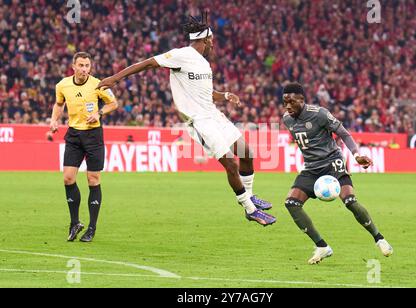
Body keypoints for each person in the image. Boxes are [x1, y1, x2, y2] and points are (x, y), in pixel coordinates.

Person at [96, 14, 275, 226]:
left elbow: (207, 94)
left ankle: (251, 195)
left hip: (214, 115)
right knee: (231, 165)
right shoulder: (181, 55)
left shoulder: (204, 64)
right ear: (205, 40)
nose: (213, 44)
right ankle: (249, 209)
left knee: (247, 153)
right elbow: (148, 63)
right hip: (199, 121)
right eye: (212, 41)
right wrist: (115, 79)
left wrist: (225, 95)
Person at [281, 82, 393, 264]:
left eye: (292, 102)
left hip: (333, 162)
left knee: (350, 201)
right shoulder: (287, 119)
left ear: (302, 100)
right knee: (291, 203)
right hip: (311, 167)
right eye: (285, 102)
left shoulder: (320, 114)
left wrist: (356, 155)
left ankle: (379, 238)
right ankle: (322, 246)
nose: (288, 106)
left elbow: (344, 133)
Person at [50, 52, 118, 242]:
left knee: (93, 180)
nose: (84, 69)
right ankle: (75, 223)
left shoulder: (98, 84)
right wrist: (54, 120)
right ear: (73, 66)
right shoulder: (62, 85)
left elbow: (114, 103)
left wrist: (100, 113)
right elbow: (58, 104)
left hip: (93, 135)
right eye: (81, 65)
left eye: (87, 65)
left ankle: (91, 228)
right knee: (68, 178)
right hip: (74, 135)